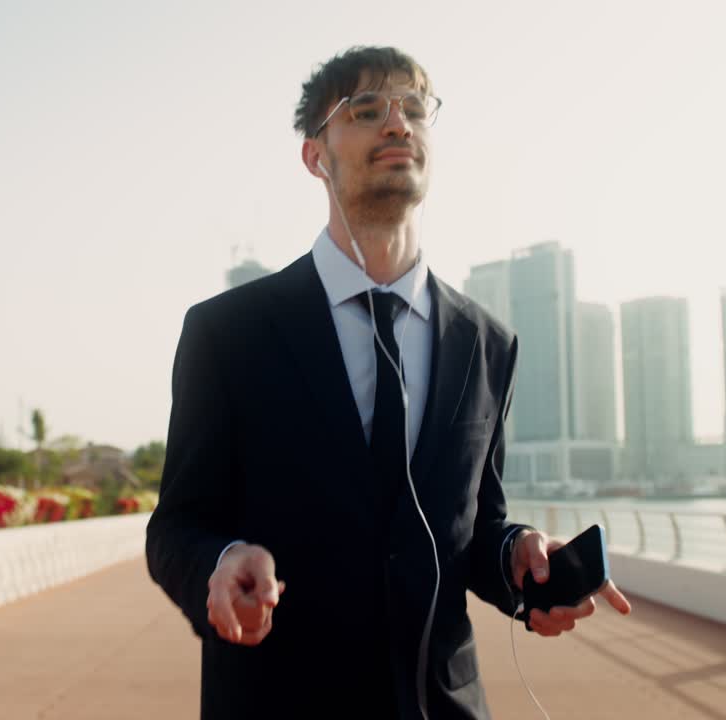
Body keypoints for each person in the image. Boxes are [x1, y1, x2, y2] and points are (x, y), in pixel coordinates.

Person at [146, 45, 632, 720]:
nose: (397, 124)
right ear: (317, 157)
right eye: (366, 110)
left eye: (413, 109)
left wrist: (520, 558)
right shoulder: (227, 334)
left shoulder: (488, 343)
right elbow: (177, 526)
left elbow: (475, 526)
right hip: (278, 701)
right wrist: (222, 560)